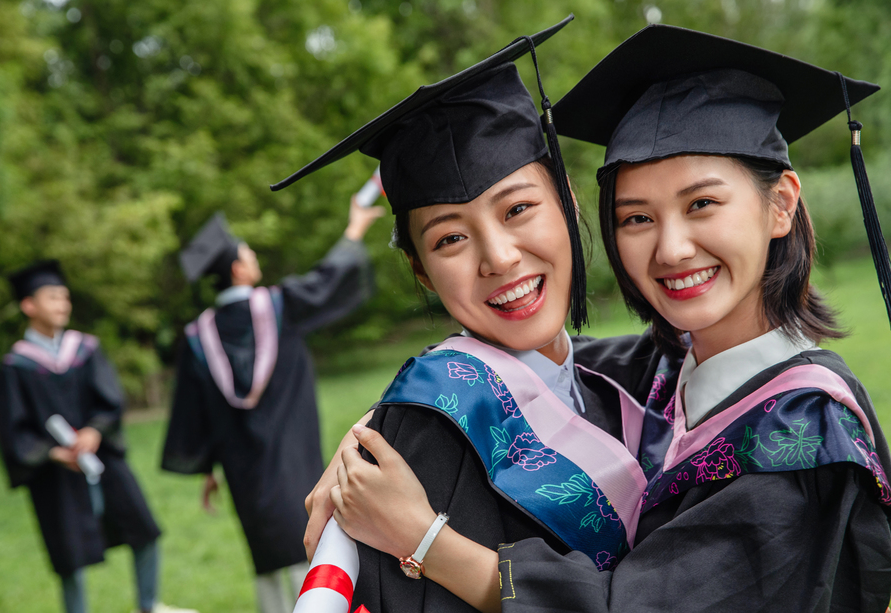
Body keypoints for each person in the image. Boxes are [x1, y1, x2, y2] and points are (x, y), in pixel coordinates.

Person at [310, 25, 891, 612]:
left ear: (781, 204)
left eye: (702, 204)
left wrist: (425, 539)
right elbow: (541, 370)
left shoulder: (802, 432)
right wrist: (389, 421)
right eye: (637, 217)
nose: (672, 249)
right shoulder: (662, 375)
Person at [271, 16, 664, 613]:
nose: (499, 258)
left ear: (567, 202)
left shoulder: (636, 381)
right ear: (421, 271)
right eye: (450, 239)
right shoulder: (425, 440)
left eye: (519, 208)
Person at [160, 200, 383, 613]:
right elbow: (327, 280)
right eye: (248, 252)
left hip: (241, 463)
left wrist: (208, 465)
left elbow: (198, 409)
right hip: (292, 451)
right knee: (306, 528)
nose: (254, 257)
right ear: (238, 270)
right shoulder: (279, 307)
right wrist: (353, 229)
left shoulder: (198, 336)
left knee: (264, 549)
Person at [0, 260, 195, 613]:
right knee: (69, 555)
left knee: (143, 527)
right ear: (29, 305)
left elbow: (110, 401)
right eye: (53, 297)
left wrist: (93, 431)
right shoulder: (15, 366)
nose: (63, 304)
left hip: (102, 458)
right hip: (56, 473)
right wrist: (53, 454)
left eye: (65, 297)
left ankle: (149, 605)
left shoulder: (85, 349)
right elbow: (12, 428)